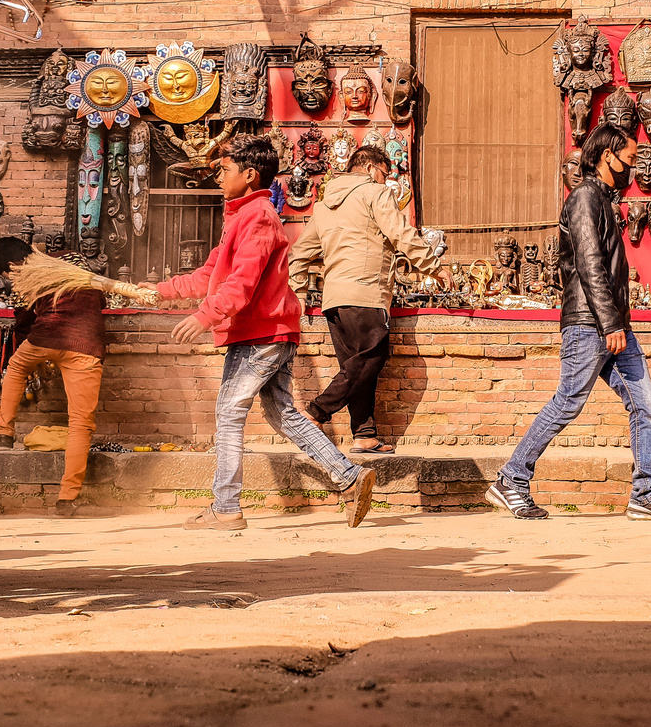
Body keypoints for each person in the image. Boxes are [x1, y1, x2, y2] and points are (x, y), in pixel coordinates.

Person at [151, 135, 377, 531]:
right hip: (271, 330)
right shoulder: (242, 215)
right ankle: (350, 477)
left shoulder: (256, 217)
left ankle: (225, 508)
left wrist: (205, 316)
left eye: (225, 169)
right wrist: (163, 291)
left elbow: (241, 284)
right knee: (282, 412)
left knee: (228, 413)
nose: (219, 176)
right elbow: (211, 275)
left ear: (250, 174)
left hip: (259, 333)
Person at [487, 124, 651, 522]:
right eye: (630, 160)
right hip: (592, 322)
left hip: (612, 323)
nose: (632, 169)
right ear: (608, 156)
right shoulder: (585, 198)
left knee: (645, 406)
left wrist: (616, 322)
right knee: (568, 401)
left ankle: (647, 492)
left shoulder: (605, 200)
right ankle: (511, 479)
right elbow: (590, 265)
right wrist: (609, 323)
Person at [288, 145, 447, 455]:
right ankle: (316, 413)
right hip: (366, 294)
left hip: (334, 300)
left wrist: (299, 292)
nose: (385, 180)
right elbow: (401, 233)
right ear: (373, 168)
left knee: (356, 369)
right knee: (372, 359)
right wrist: (434, 267)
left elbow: (300, 254)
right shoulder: (376, 194)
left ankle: (364, 433)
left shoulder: (323, 206)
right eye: (384, 174)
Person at [0, 236, 103, 518]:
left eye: (6, 274)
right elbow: (100, 296)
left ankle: (4, 434)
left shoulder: (25, 276)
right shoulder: (74, 259)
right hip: (86, 344)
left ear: (11, 266)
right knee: (80, 423)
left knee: (15, 369)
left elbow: (23, 321)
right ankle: (67, 499)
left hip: (45, 337)